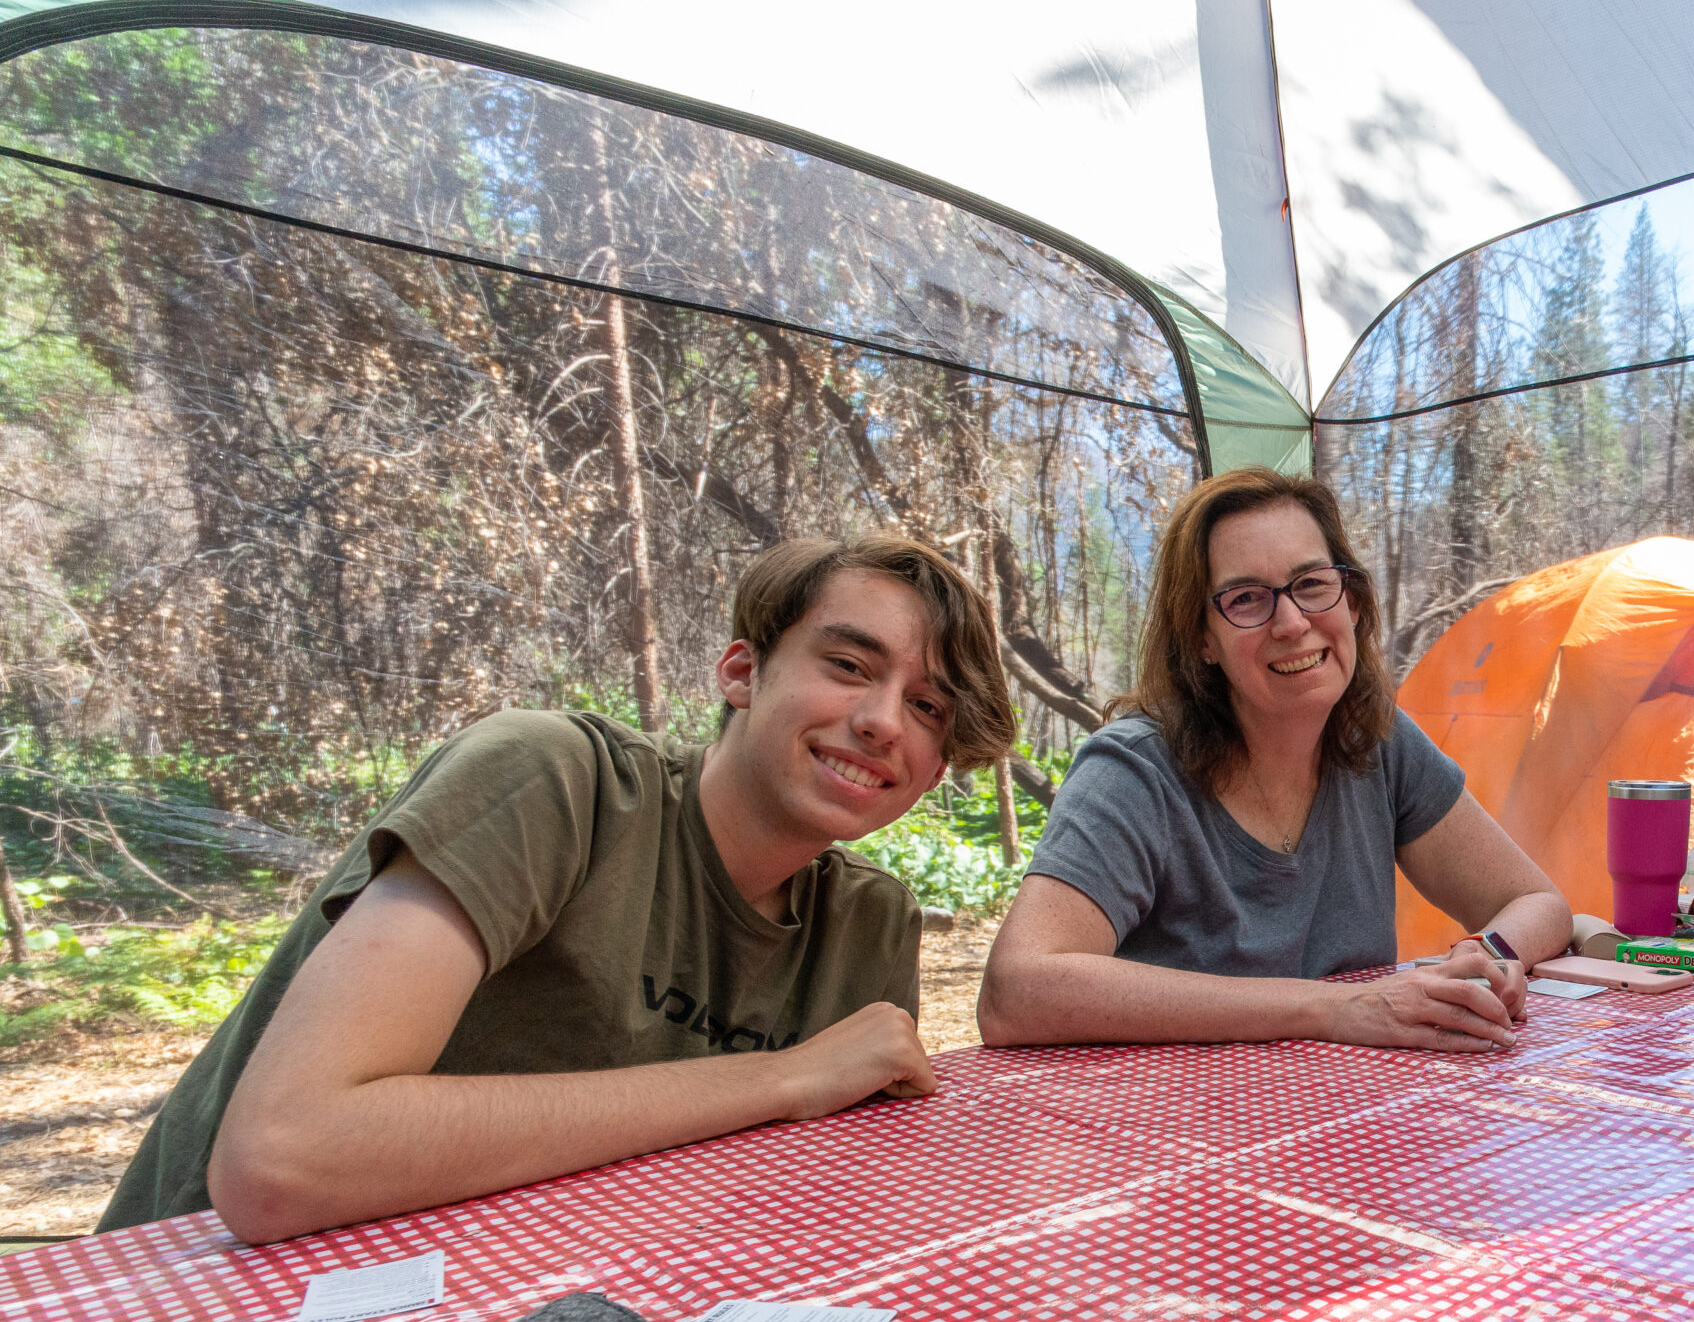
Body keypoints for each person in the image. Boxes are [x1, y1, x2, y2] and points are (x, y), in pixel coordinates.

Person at [100, 535, 1016, 1243]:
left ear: (939, 764)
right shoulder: (555, 782)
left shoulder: (869, 920)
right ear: (742, 672)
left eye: (930, 706)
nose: (880, 721)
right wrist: (778, 1077)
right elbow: (285, 1158)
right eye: (849, 666)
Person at [978, 468, 1570, 1053]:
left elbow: (1540, 905)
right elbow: (1017, 991)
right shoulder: (1134, 771)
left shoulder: (1378, 742)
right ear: (1202, 639)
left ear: (1354, 602)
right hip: (1171, 1129)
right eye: (1246, 599)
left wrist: (1485, 956)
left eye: (1312, 584)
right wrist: (1333, 1010)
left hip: (1346, 1117)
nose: (1291, 623)